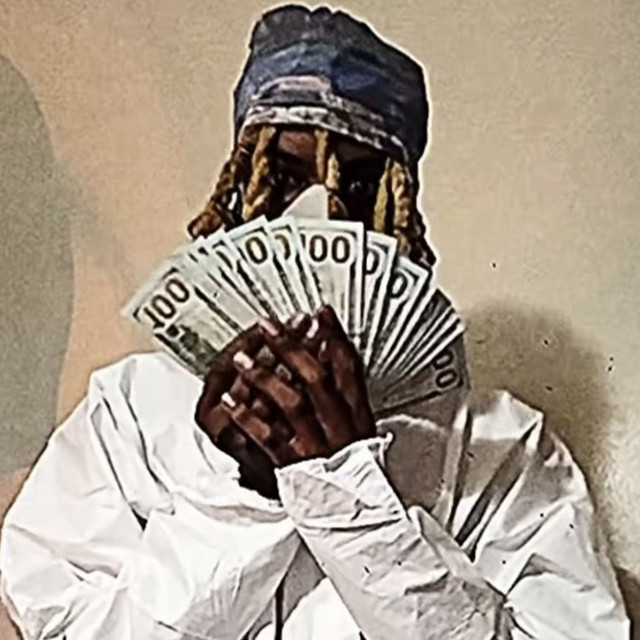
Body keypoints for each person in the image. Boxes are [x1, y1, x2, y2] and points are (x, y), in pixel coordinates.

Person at [0, 4, 630, 639]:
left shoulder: (498, 446)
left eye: (355, 189)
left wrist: (345, 490)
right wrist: (244, 498)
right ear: (238, 188)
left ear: (399, 208)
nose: (316, 217)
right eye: (281, 177)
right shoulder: (130, 414)